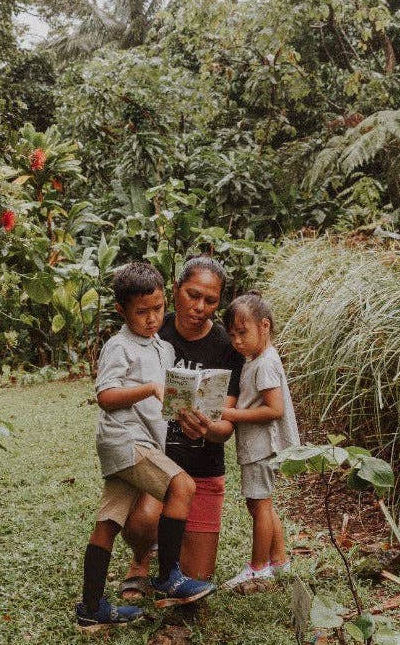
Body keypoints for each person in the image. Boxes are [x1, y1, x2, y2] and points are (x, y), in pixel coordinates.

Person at [76, 262, 216, 633]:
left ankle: (90, 608)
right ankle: (168, 578)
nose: (152, 318)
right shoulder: (118, 346)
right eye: (142, 312)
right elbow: (105, 396)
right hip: (125, 439)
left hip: (140, 441)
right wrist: (150, 389)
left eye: (157, 309)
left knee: (107, 523)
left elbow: (164, 403)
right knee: (182, 485)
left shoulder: (164, 349)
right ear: (122, 310)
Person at [120, 256, 245, 599]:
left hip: (205, 469)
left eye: (211, 300)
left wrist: (206, 427)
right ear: (175, 290)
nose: (200, 307)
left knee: (198, 578)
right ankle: (143, 558)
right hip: (160, 461)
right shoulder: (153, 328)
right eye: (193, 295)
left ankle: (170, 554)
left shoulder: (226, 347)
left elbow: (225, 429)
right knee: (144, 521)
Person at [220, 291, 300, 588]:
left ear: (264, 326)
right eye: (232, 335)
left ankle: (258, 567)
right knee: (260, 505)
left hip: (261, 447)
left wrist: (228, 414)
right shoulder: (255, 359)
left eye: (243, 333)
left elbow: (273, 409)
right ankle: (279, 560)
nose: (237, 341)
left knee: (260, 505)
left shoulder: (265, 362)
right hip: (257, 446)